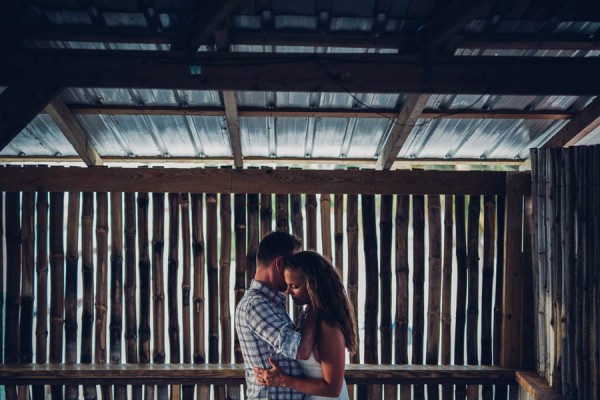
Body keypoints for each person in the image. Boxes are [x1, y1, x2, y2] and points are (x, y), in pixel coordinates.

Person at [253, 250, 358, 400]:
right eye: (287, 285)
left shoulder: (328, 325)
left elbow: (333, 389)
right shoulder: (310, 317)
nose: (288, 292)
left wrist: (283, 380)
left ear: (314, 286)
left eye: (294, 286)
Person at [235, 231, 316, 400]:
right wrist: (315, 304)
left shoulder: (271, 302)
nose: (296, 270)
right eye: (293, 263)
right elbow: (300, 350)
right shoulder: (256, 305)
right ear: (279, 263)